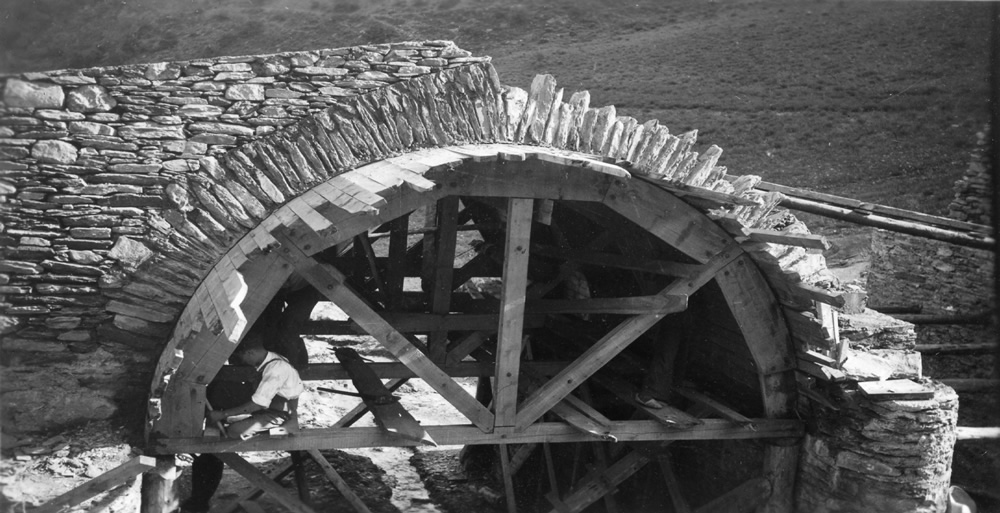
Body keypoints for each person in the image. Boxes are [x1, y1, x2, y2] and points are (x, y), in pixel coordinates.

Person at [180, 335, 306, 513]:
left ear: (250, 352)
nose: (242, 362)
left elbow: (258, 403)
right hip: (272, 406)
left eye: (242, 357)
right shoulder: (270, 359)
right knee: (228, 418)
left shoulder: (275, 368)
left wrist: (224, 414)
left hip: (279, 412)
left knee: (233, 430)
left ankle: (263, 431)